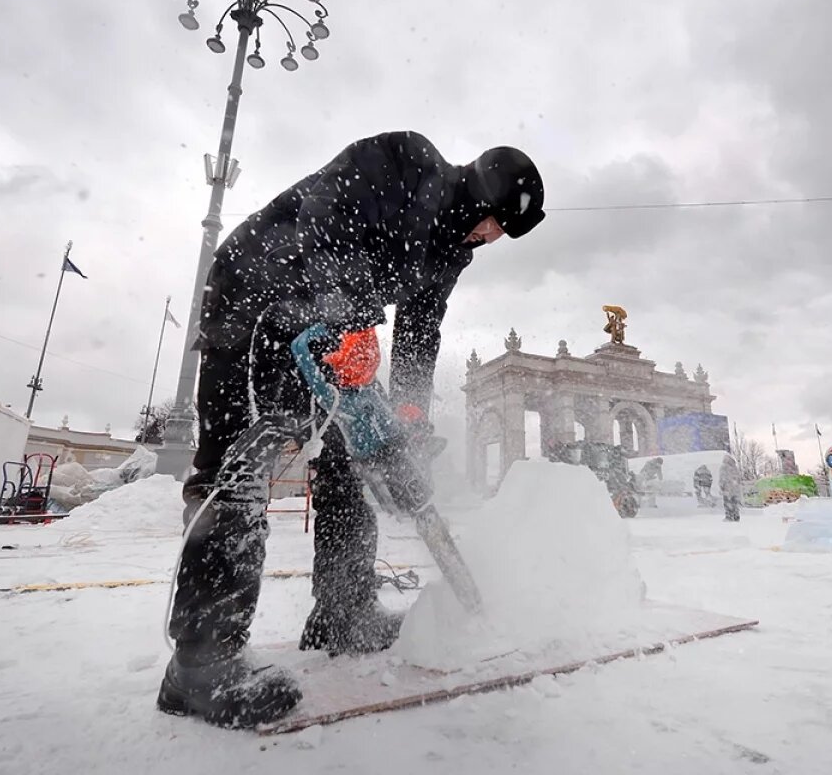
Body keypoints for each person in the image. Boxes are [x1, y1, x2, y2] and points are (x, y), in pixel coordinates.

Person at [156, 131, 546, 728]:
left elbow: (420, 330)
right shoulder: (403, 160)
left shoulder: (449, 252)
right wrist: (351, 320)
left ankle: (343, 613)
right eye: (497, 223)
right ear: (483, 195)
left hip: (327, 329)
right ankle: (200, 664)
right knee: (241, 464)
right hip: (258, 296)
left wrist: (409, 416)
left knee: (356, 455)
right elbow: (322, 223)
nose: (491, 238)